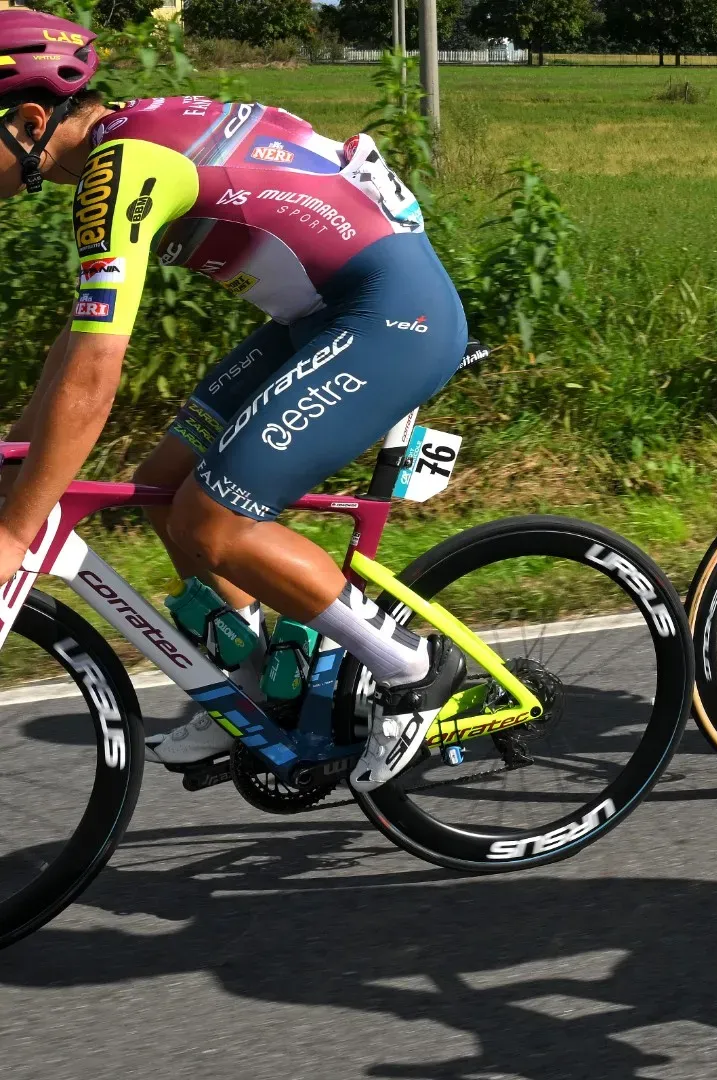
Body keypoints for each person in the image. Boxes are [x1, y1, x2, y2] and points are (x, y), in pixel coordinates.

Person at [0, 11, 467, 791]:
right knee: (163, 488)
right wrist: (14, 459)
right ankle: (251, 690)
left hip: (394, 315)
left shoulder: (121, 171)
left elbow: (95, 371)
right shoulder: (117, 144)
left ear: (29, 121)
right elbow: (71, 350)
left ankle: (413, 669)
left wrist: (16, 530)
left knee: (214, 519)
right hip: (323, 315)